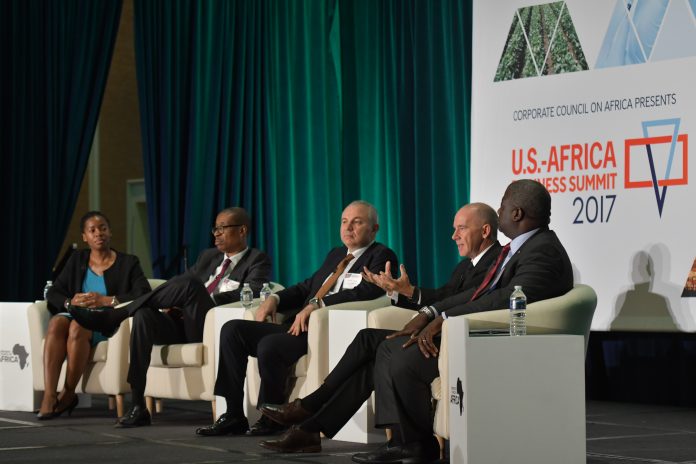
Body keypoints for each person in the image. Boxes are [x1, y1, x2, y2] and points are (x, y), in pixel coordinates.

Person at [258, 180, 573, 463]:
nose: (499, 210)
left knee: (385, 349)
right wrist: (423, 306)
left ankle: (390, 437)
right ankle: (322, 427)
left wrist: (439, 315)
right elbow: (461, 295)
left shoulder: (540, 251)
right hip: (465, 332)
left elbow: (506, 298)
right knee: (376, 343)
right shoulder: (515, 252)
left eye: (503, 206)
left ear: (516, 213)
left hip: (490, 341)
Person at [195, 200, 398, 438]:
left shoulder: (381, 255)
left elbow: (368, 291)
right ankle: (232, 415)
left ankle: (271, 418)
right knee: (232, 330)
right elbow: (307, 286)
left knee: (270, 344)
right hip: (298, 325)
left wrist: (318, 305)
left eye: (357, 222)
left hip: (326, 330)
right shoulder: (336, 254)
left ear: (374, 229)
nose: (348, 228)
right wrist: (275, 299)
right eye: (344, 222)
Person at [70, 207, 272, 427]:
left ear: (242, 230)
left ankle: (117, 315)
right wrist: (174, 300)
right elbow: (180, 283)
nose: (216, 234)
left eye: (223, 228)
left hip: (210, 325)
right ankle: (138, 406)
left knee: (192, 285)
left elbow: (252, 292)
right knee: (144, 315)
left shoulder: (257, 259)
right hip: (181, 321)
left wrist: (199, 297)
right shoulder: (208, 256)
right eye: (215, 228)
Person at [40, 211, 151, 420]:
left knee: (78, 327)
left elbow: (143, 293)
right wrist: (69, 302)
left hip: (105, 321)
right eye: (92, 230)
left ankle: (69, 393)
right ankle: (49, 394)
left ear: (110, 232)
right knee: (56, 323)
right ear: (85, 237)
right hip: (77, 314)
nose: (98, 233)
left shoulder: (128, 263)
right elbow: (54, 292)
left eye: (103, 228)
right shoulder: (77, 260)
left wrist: (107, 300)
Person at [362, 203, 501, 312]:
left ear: (485, 231)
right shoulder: (464, 266)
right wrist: (397, 290)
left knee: (368, 337)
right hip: (442, 328)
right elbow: (440, 298)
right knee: (367, 335)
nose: (454, 236)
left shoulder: (499, 262)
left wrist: (409, 290)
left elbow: (457, 302)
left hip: (460, 332)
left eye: (462, 228)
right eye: (455, 229)